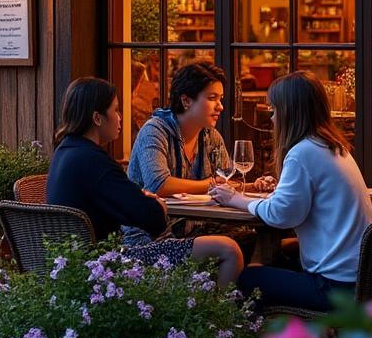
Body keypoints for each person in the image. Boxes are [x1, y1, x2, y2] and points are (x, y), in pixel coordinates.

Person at [47, 76, 243, 285]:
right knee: (229, 249)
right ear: (97, 118)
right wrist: (154, 203)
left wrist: (140, 197)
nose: (120, 117)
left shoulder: (66, 152)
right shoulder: (95, 162)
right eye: (115, 110)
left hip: (79, 264)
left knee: (238, 239)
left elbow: (123, 200)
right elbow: (153, 219)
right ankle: (212, 316)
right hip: (115, 261)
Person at [210, 71, 372, 312]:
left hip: (334, 287)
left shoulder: (303, 152)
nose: (273, 119)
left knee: (248, 279)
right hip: (362, 281)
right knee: (280, 254)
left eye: (275, 111)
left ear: (290, 113)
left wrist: (237, 199)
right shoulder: (335, 148)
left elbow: (282, 215)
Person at [128, 61, 230, 196]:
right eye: (212, 98)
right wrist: (211, 184)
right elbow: (158, 185)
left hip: (198, 215)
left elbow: (225, 181)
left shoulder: (212, 136)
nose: (220, 107)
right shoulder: (154, 131)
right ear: (186, 101)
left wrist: (253, 186)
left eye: (220, 99)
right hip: (151, 215)